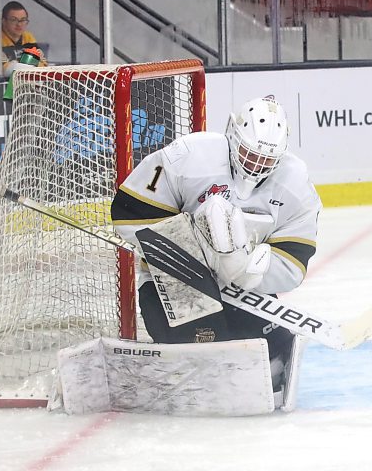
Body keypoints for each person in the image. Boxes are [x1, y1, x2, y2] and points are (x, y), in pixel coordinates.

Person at [111, 95, 322, 393]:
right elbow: (129, 215)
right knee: (207, 346)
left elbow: (293, 262)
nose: (257, 165)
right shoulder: (188, 156)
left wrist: (250, 270)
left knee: (275, 355)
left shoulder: (296, 184)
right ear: (233, 136)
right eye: (250, 154)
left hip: (242, 288)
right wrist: (194, 246)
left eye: (267, 159)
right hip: (174, 282)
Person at [0, 1, 47, 76]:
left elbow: (43, 66)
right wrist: (30, 65)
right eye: (14, 20)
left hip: (22, 83)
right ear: (4, 21)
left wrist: (18, 65)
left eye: (23, 20)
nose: (19, 24)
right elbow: (5, 71)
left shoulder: (28, 37)